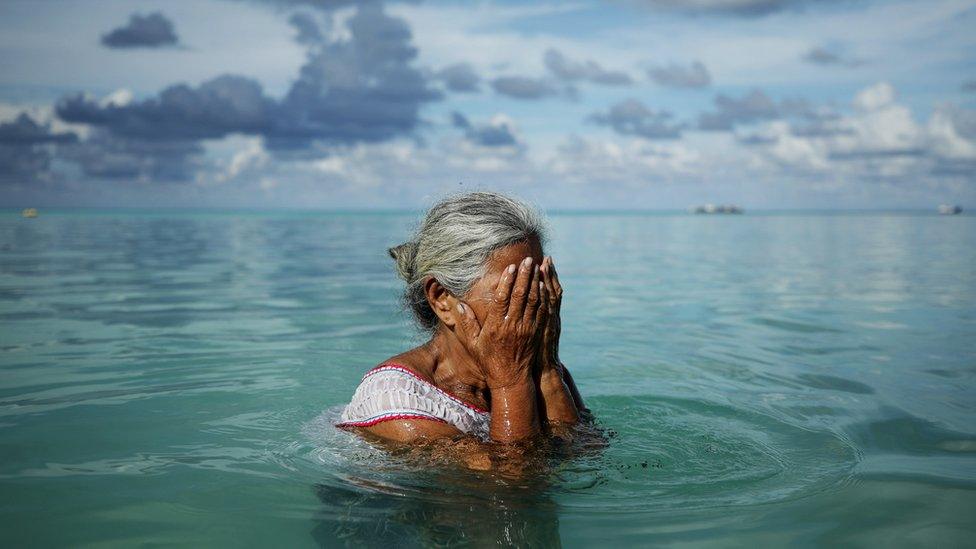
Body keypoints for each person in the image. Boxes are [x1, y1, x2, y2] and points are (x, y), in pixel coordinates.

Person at [336, 192, 586, 451]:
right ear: (442, 298)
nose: (536, 301)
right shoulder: (396, 401)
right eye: (515, 289)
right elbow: (512, 485)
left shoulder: (538, 366)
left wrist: (547, 370)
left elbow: (586, 459)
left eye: (540, 281)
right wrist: (509, 382)